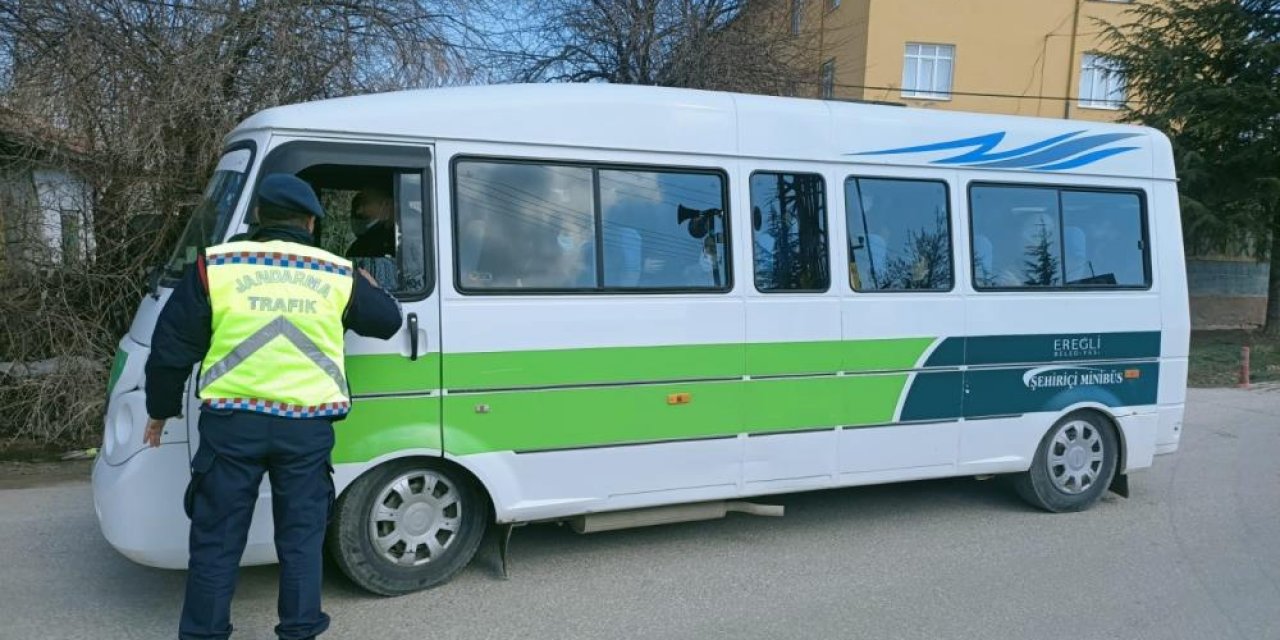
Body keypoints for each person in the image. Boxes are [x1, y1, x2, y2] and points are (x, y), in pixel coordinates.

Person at [143, 173, 402, 640]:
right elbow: (386, 322)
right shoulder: (336, 273)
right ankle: (300, 630)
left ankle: (204, 634)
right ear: (309, 221)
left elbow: (171, 347)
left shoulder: (216, 267)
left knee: (217, 540)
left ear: (258, 216)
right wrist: (366, 282)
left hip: (232, 427)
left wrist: (159, 410)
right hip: (304, 430)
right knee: (301, 540)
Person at [346, 187, 395, 258]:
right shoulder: (360, 246)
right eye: (357, 207)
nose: (359, 211)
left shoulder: (403, 239)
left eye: (365, 204)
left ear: (386, 205)